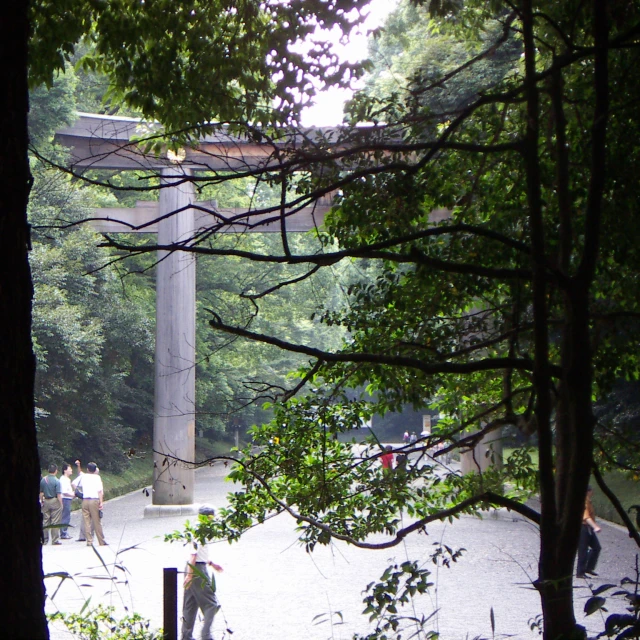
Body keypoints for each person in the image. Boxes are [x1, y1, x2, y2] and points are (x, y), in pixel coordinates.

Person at [182, 505, 223, 640]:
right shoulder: (200, 531)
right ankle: (206, 636)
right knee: (211, 604)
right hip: (196, 569)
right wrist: (190, 575)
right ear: (207, 517)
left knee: (190, 604)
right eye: (212, 516)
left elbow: (199, 554)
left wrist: (211, 563)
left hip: (194, 567)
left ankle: (186, 636)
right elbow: (193, 555)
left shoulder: (198, 530)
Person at [76, 461, 107, 546]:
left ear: (87, 469)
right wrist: (101, 502)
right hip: (94, 500)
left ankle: (89, 541)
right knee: (96, 521)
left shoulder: (83, 477)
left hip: (85, 500)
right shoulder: (97, 478)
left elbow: (74, 484)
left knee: (86, 521)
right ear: (95, 470)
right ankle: (101, 541)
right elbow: (100, 491)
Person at [576, 486, 602, 578]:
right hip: (583, 527)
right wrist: (595, 526)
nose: (592, 493)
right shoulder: (585, 502)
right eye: (591, 491)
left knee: (596, 547)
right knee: (583, 550)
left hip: (588, 528)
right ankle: (580, 572)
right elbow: (586, 517)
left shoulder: (588, 501)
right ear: (588, 491)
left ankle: (588, 567)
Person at [40, 464, 63, 545]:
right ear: (56, 471)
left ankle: (45, 540)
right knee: (55, 520)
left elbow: (41, 493)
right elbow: (59, 494)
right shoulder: (57, 481)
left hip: (45, 500)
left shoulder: (43, 480)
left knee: (45, 520)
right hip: (54, 500)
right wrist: (61, 504)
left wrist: (42, 501)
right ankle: (55, 540)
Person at [58, 462, 75, 539]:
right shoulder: (63, 479)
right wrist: (72, 494)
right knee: (65, 516)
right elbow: (64, 492)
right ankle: (63, 533)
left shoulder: (67, 479)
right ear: (65, 470)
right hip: (65, 499)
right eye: (70, 469)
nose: (71, 470)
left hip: (67, 499)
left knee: (66, 516)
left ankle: (64, 532)